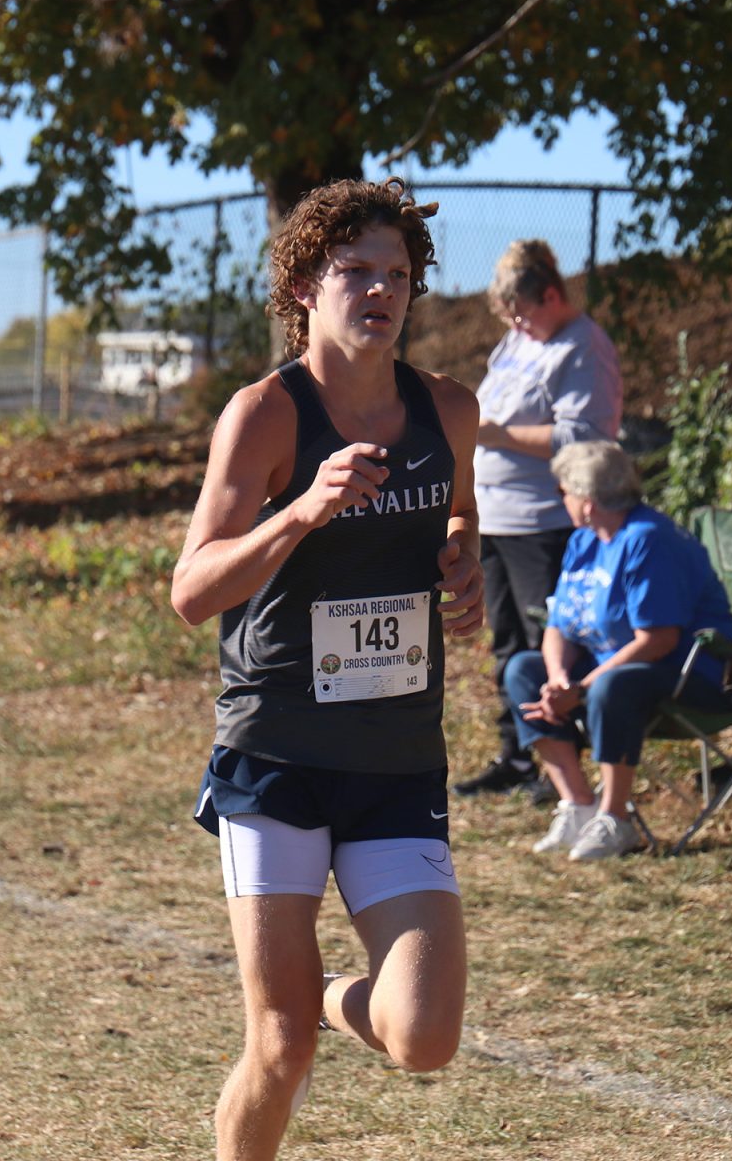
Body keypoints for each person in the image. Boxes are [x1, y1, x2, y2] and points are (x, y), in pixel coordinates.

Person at [171, 176, 484, 1161]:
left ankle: (324, 996)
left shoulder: (446, 411)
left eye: (395, 274)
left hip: (396, 759)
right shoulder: (265, 416)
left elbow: (462, 517)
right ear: (305, 284)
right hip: (278, 759)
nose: (378, 291)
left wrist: (463, 564)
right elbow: (191, 589)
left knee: (425, 1038)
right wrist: (301, 510)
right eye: (355, 271)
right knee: (279, 1045)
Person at [504, 440, 732, 861]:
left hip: (693, 678)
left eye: (565, 492)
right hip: (611, 674)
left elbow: (659, 640)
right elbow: (559, 623)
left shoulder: (648, 540)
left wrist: (579, 688)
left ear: (589, 500)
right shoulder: (586, 540)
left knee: (614, 685)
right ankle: (579, 804)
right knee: (525, 669)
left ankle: (618, 819)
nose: (563, 500)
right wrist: (559, 679)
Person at [453, 239, 622, 802]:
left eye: (523, 311)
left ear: (552, 294)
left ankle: (562, 761)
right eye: (510, 317)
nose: (519, 325)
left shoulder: (583, 348)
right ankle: (519, 754)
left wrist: (499, 436)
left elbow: (586, 439)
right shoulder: (521, 339)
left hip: (544, 521)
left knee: (546, 643)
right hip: (497, 516)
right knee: (506, 642)